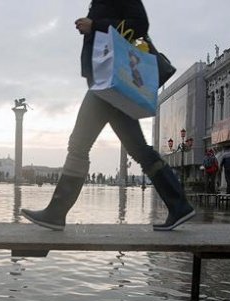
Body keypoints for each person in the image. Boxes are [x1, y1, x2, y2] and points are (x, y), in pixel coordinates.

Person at [21, 0, 195, 231]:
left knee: (79, 144)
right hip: (109, 81)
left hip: (110, 81)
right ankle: (179, 204)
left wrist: (95, 25)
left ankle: (55, 213)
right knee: (140, 150)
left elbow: (140, 26)